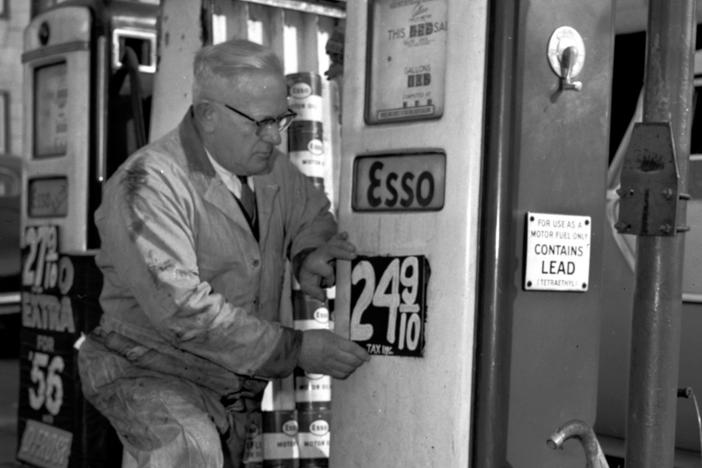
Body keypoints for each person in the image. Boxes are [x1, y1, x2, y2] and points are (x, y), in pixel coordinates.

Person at [78, 38, 370, 468]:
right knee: (189, 448)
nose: (274, 137)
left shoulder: (267, 168)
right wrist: (297, 349)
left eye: (281, 119)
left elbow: (310, 214)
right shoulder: (146, 185)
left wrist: (308, 253)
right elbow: (185, 313)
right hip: (147, 370)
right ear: (209, 115)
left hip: (229, 387)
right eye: (261, 122)